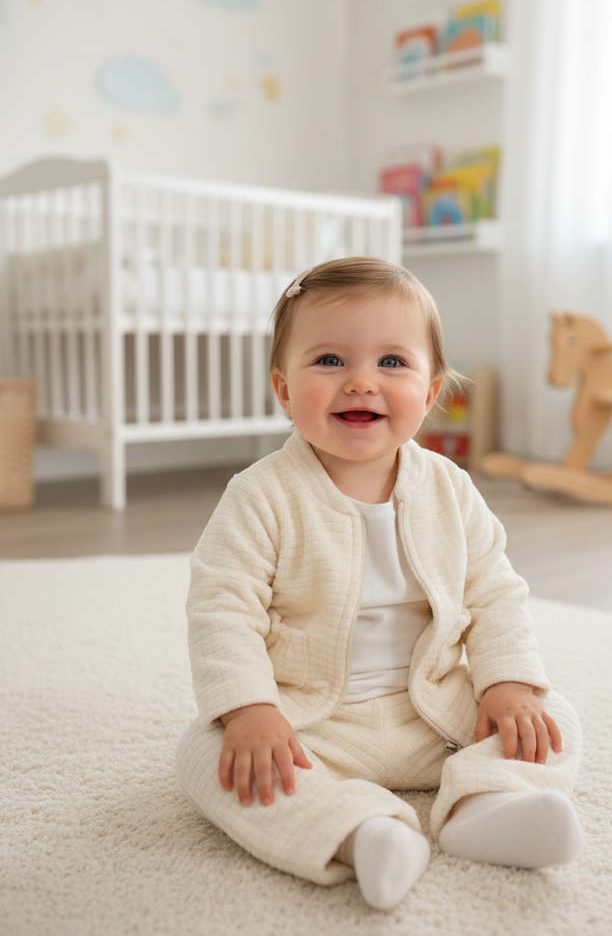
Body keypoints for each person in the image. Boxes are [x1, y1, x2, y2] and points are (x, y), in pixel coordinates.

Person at [175, 257, 583, 911]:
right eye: (330, 361)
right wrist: (250, 708)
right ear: (283, 389)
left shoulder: (451, 489)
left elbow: (496, 592)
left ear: (430, 392)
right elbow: (221, 608)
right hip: (311, 726)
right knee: (206, 752)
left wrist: (506, 682)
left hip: (438, 714)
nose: (361, 380)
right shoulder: (260, 496)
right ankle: (363, 831)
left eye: (392, 362)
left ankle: (490, 804)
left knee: (550, 714)